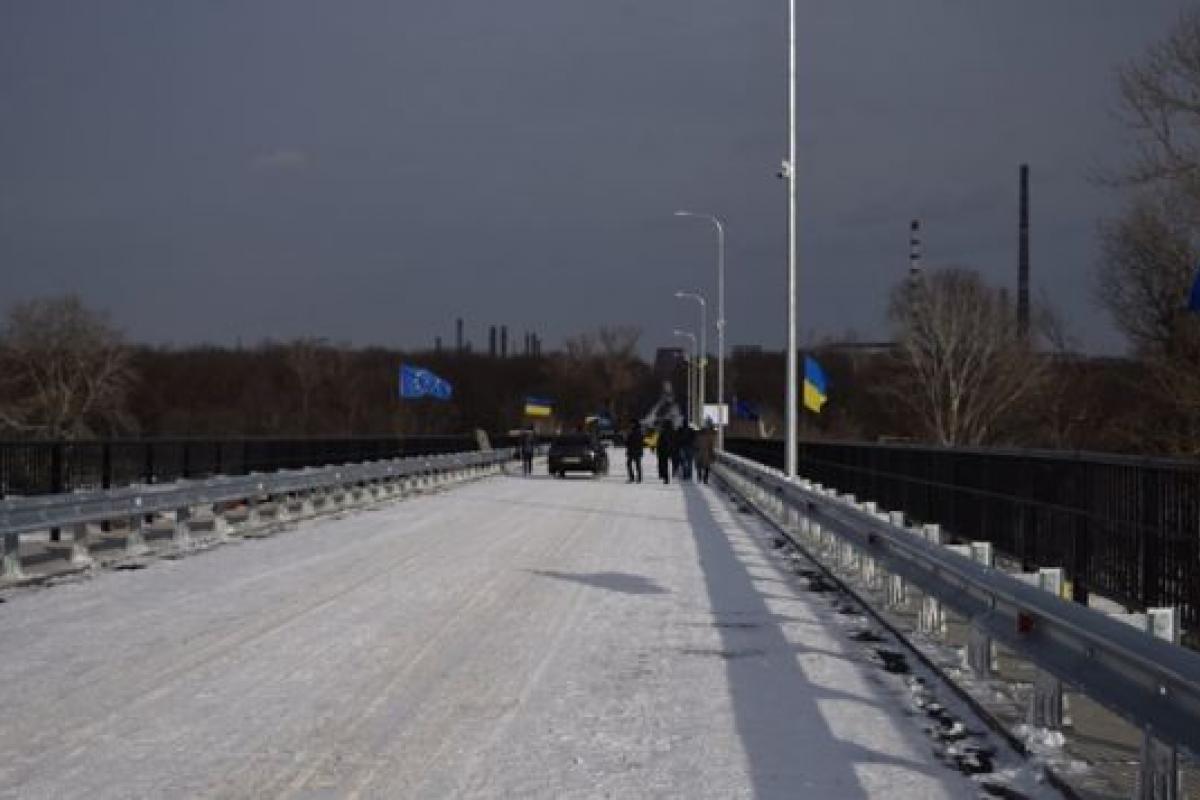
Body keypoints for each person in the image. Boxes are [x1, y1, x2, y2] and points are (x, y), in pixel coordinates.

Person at [657, 419, 675, 485]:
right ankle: (666, 477)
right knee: (667, 464)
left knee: (664, 464)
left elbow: (659, 442)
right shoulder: (672, 431)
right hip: (669, 450)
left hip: (663, 450)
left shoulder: (663, 432)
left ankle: (665, 477)